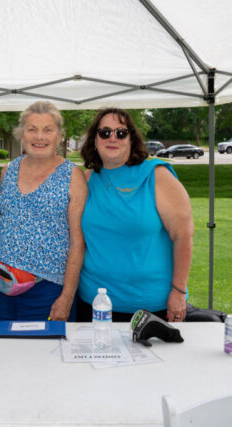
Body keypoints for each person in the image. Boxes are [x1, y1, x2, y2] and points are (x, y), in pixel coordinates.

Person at [78, 107, 193, 322]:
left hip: (152, 307)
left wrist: (178, 291)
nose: (112, 138)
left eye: (121, 133)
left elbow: (183, 235)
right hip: (94, 305)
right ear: (94, 139)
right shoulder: (85, 180)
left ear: (131, 139)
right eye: (105, 132)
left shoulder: (157, 175)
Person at [0, 101, 87, 321]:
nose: (39, 137)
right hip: (3, 284)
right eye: (32, 129)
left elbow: (77, 243)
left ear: (59, 136)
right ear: (21, 134)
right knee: (3, 349)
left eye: (47, 130)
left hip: (47, 290)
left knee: (45, 352)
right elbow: (4, 222)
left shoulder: (73, 177)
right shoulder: (8, 170)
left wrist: (67, 297)